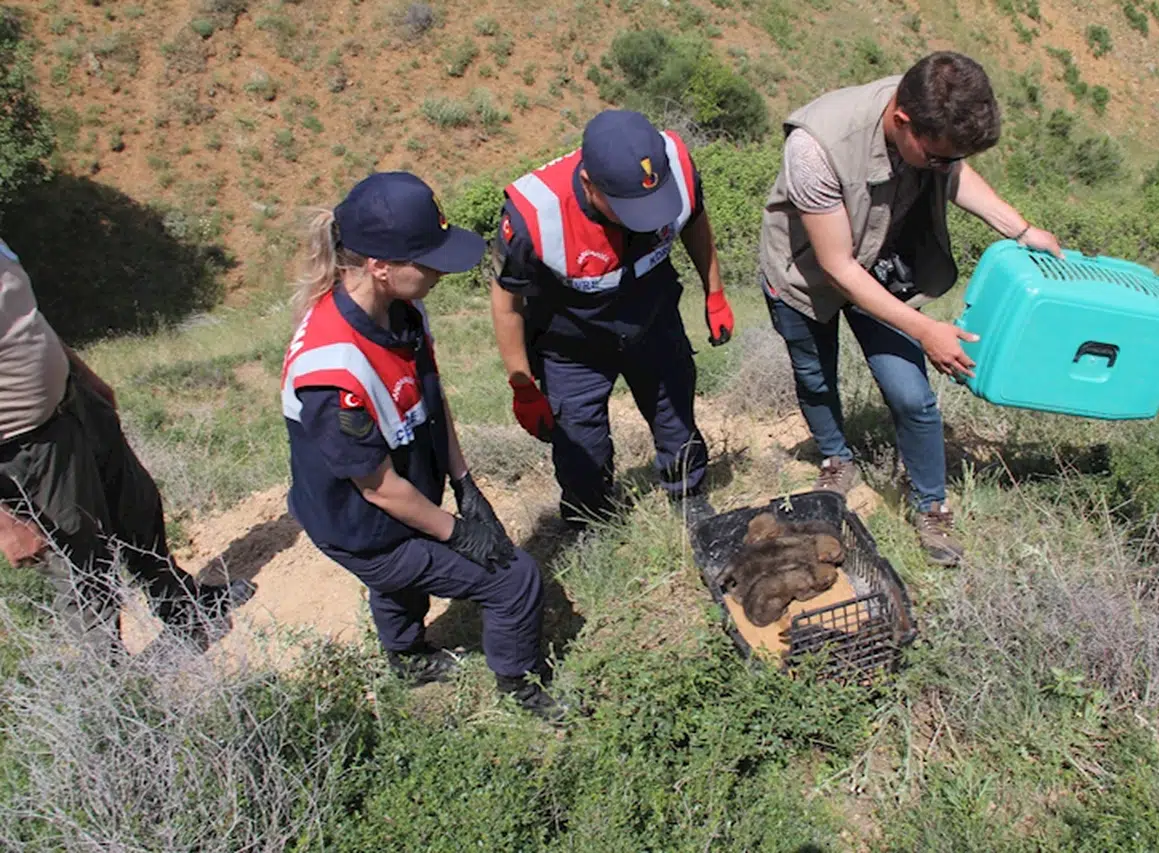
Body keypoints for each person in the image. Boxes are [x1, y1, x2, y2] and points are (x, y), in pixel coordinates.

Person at [757, 51, 1063, 566]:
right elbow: (837, 266)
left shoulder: (930, 109)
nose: (944, 167)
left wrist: (1022, 229)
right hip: (805, 273)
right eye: (937, 158)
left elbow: (956, 173)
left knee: (912, 396)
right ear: (902, 121)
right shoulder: (815, 148)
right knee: (814, 377)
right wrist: (925, 330)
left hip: (878, 262)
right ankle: (835, 457)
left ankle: (930, 505)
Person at [280, 171, 566, 721]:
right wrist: (457, 532)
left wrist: (464, 482)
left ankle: (407, 658)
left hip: (400, 498)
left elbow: (430, 401)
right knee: (513, 579)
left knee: (403, 586)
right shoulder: (331, 371)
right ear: (379, 266)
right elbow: (379, 489)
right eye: (428, 261)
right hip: (362, 528)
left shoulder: (402, 311)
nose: (440, 272)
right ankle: (520, 686)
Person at [0, 238, 252, 654]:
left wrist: (81, 372)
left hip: (72, 400)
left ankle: (183, 607)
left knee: (137, 506)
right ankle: (110, 680)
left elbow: (23, 316)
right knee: (82, 566)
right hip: (25, 445)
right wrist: (5, 524)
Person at [489, 109, 736, 531]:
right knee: (581, 446)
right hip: (572, 345)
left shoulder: (674, 164)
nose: (647, 216)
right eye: (629, 207)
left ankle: (688, 495)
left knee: (675, 418)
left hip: (654, 319)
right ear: (589, 184)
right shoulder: (534, 217)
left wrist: (714, 292)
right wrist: (523, 385)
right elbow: (506, 303)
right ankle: (593, 521)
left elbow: (695, 220)